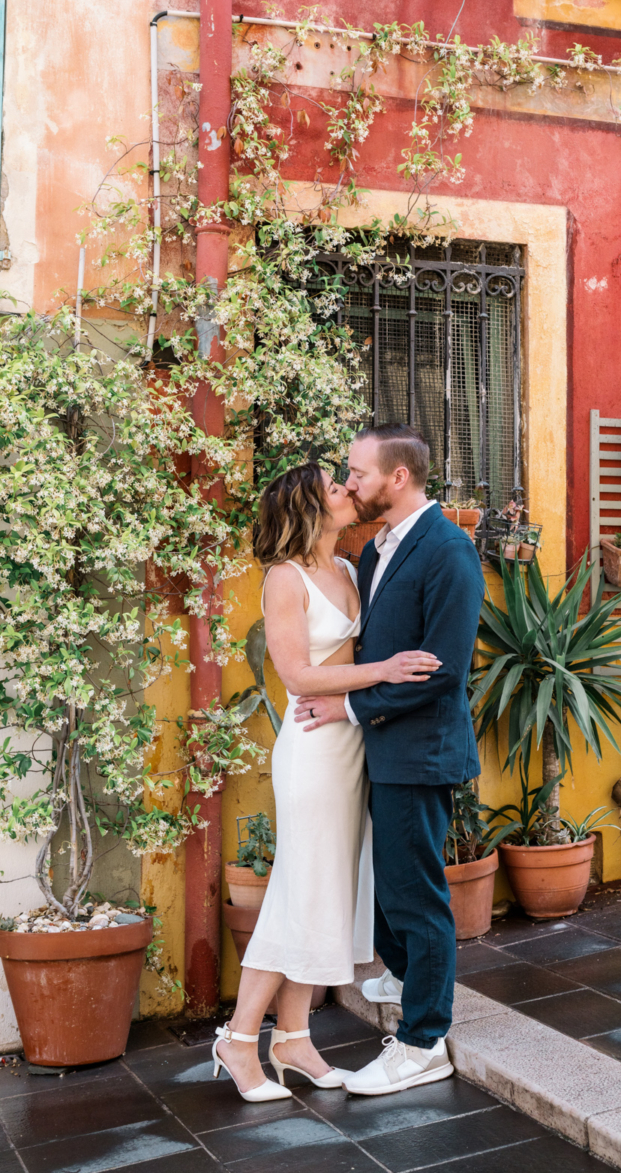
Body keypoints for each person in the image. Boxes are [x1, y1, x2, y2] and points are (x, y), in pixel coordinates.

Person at [211, 461, 441, 1101]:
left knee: (326, 894)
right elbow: (298, 677)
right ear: (310, 505)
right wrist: (387, 671)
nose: (348, 491)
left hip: (353, 745)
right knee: (297, 890)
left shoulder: (346, 568)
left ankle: (292, 1039)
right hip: (313, 748)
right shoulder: (283, 579)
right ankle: (237, 1037)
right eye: (336, 487)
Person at [295, 424, 484, 1097]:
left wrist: (346, 710)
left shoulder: (449, 551)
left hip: (420, 753)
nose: (348, 483)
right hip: (380, 752)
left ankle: (424, 1040)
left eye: (358, 472)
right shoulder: (375, 552)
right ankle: (406, 977)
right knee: (389, 891)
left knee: (418, 898)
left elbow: (441, 672)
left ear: (397, 478)